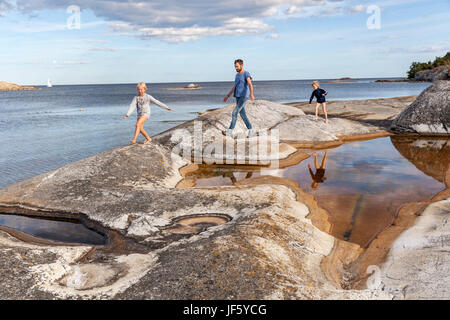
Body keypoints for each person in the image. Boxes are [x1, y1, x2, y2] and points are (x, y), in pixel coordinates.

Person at [223, 59, 255, 138]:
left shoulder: (246, 74)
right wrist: (227, 96)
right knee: (243, 114)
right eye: (235, 67)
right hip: (237, 96)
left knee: (234, 112)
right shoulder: (237, 75)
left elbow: (250, 84)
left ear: (241, 65)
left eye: (237, 66)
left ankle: (230, 131)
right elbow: (235, 86)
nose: (236, 68)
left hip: (244, 97)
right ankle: (251, 130)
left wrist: (251, 94)